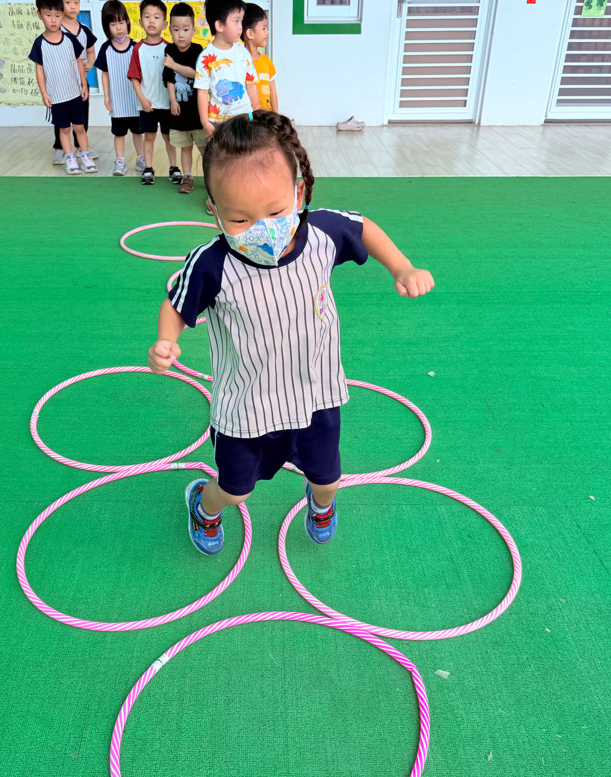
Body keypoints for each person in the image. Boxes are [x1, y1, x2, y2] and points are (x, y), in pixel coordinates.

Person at [147, 112, 435, 555]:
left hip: (317, 395)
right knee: (236, 490)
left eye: (276, 212)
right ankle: (204, 506)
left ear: (297, 194)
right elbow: (176, 303)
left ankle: (321, 506)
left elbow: (363, 228)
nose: (262, 229)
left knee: (328, 479)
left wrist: (402, 267)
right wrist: (167, 340)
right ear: (215, 211)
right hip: (247, 407)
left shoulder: (321, 233)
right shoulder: (212, 264)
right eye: (240, 219)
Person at [28, 0, 96, 175]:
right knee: (64, 129)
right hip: (57, 97)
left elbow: (79, 62)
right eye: (48, 15)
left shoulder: (70, 39)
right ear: (39, 14)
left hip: (74, 94)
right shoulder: (39, 44)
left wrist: (84, 84)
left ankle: (85, 156)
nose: (53, 20)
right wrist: (44, 93)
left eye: (57, 15)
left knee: (80, 127)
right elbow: (39, 69)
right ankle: (70, 158)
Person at [127, 0, 181, 186]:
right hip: (147, 104)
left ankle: (174, 168)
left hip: (166, 103)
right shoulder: (138, 49)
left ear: (165, 24)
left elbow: (174, 77)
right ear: (140, 22)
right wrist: (142, 99)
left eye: (157, 17)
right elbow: (134, 77)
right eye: (147, 16)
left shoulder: (169, 48)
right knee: (149, 136)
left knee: (169, 137)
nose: (151, 21)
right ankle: (148, 168)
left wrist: (173, 100)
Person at [195, 0, 259, 137]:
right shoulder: (205, 58)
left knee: (245, 150)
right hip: (217, 121)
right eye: (236, 21)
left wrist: (255, 113)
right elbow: (202, 92)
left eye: (241, 21)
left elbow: (251, 84)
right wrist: (205, 122)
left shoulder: (243, 53)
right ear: (219, 25)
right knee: (219, 151)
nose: (240, 27)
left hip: (245, 117)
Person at [95, 0, 146, 176]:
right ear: (106, 26)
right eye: (113, 24)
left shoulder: (136, 47)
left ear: (128, 22)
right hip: (118, 102)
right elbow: (105, 74)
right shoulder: (106, 49)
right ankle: (120, 160)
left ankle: (141, 158)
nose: (119, 28)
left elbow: (142, 73)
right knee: (119, 133)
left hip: (135, 101)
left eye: (122, 22)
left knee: (138, 132)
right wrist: (106, 97)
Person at [50, 0, 98, 166]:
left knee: (82, 117)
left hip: (81, 84)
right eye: (67, 2)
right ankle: (60, 148)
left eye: (76, 2)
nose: (73, 6)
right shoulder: (55, 31)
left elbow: (91, 51)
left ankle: (80, 146)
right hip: (61, 85)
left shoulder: (84, 30)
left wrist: (90, 64)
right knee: (61, 119)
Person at [162, 2, 205, 195]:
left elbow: (197, 74)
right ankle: (187, 177)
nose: (181, 34)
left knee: (204, 147)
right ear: (170, 30)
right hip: (179, 111)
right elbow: (169, 78)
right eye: (176, 29)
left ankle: (210, 178)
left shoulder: (198, 50)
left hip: (198, 112)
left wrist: (174, 65)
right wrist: (172, 100)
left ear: (194, 30)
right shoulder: (169, 50)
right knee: (185, 147)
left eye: (186, 29)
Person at [241, 3, 276, 112]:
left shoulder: (267, 62)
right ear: (250, 33)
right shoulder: (239, 63)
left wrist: (276, 115)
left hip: (266, 117)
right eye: (264, 28)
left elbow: (272, 90)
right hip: (247, 118)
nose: (267, 32)